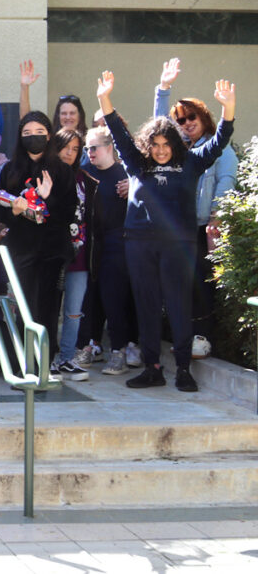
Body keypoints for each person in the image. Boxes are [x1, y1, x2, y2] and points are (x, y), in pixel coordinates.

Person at [97, 71, 235, 392]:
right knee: (146, 305)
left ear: (175, 143)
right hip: (139, 243)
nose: (160, 151)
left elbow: (220, 141)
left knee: (178, 305)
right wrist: (105, 98)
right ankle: (152, 368)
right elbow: (117, 132)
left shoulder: (192, 162)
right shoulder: (136, 162)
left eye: (166, 144)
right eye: (155, 144)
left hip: (178, 245)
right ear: (148, 144)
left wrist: (228, 108)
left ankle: (183, 370)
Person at [152, 57, 239, 359]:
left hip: (205, 228)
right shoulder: (174, 153)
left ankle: (202, 339)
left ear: (203, 118)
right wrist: (163, 88)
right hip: (177, 230)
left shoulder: (217, 148)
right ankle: (180, 335)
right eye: (181, 119)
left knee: (203, 285)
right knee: (179, 285)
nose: (186, 123)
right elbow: (157, 128)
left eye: (192, 118)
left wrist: (216, 216)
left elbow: (226, 180)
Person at [0, 111, 78, 379]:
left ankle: (43, 366)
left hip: (52, 251)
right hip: (21, 249)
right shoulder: (10, 169)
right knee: (23, 308)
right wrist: (16, 211)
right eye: (27, 133)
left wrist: (46, 199)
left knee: (47, 309)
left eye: (39, 133)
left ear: (49, 135)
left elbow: (68, 212)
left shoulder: (62, 171)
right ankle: (21, 365)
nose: (34, 138)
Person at [78, 126, 138, 375]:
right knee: (88, 299)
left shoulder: (126, 175)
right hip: (89, 243)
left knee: (114, 298)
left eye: (94, 148)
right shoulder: (83, 173)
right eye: (86, 148)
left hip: (116, 242)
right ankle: (88, 347)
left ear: (109, 147)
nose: (90, 153)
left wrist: (132, 189)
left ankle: (118, 351)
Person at [52, 128, 98, 379]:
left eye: (75, 149)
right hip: (52, 253)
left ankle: (67, 357)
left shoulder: (86, 179)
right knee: (48, 308)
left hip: (80, 255)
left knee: (73, 310)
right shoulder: (46, 174)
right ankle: (46, 357)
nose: (69, 153)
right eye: (65, 147)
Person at [19, 60, 89, 134]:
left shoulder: (89, 140)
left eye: (72, 113)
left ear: (80, 115)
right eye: (64, 113)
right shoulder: (51, 138)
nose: (68, 117)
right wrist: (24, 87)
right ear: (58, 116)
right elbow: (26, 122)